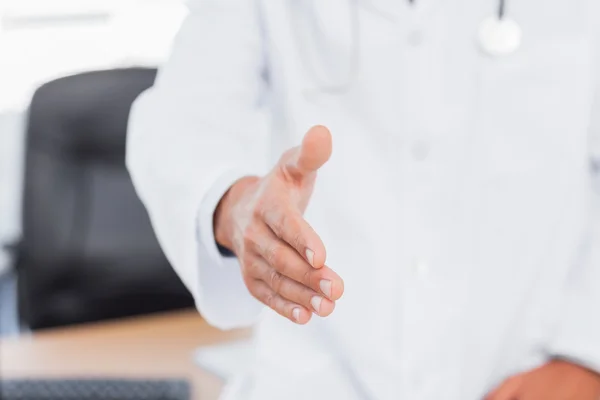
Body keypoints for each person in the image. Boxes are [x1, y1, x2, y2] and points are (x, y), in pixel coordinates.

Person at [126, 1, 600, 399]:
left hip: (523, 373)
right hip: (315, 380)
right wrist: (235, 205)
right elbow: (179, 118)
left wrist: (587, 357)